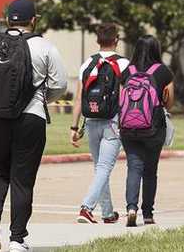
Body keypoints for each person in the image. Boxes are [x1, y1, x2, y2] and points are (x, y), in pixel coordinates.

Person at [0, 0, 67, 252]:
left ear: (7, 19)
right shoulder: (44, 47)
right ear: (33, 20)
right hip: (31, 117)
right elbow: (59, 85)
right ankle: (17, 239)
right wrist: (40, 98)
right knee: (22, 179)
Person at [70, 23, 129, 224]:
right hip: (113, 122)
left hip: (91, 120)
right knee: (104, 167)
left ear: (97, 40)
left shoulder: (87, 64)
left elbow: (79, 98)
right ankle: (86, 208)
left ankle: (107, 212)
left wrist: (74, 127)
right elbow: (125, 97)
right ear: (116, 40)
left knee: (100, 168)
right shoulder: (124, 65)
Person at [119, 35, 174, 227]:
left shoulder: (128, 71)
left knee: (133, 167)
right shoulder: (163, 71)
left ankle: (131, 208)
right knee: (150, 171)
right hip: (153, 128)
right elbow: (170, 102)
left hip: (128, 128)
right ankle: (148, 214)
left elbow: (122, 99)